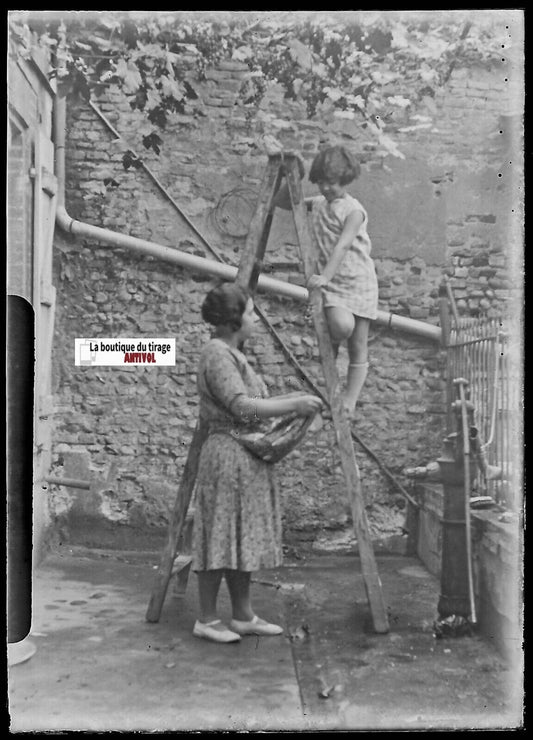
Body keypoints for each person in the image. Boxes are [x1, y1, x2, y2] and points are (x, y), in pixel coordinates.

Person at [191, 282, 323, 644]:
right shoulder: (217, 354)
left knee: (239, 536)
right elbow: (243, 408)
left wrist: (294, 399)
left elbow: (252, 405)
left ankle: (243, 615)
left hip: (243, 456)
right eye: (250, 313)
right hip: (226, 454)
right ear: (233, 319)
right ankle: (205, 618)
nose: (254, 319)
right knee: (218, 533)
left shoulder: (233, 354)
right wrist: (293, 405)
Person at [274, 145, 379, 418]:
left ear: (345, 180)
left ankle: (349, 402)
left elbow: (343, 246)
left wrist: (326, 276)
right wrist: (291, 176)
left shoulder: (353, 210)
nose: (326, 188)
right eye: (321, 182)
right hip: (330, 284)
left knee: (358, 345)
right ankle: (330, 364)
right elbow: (286, 202)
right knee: (341, 326)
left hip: (357, 281)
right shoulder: (319, 202)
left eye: (332, 183)